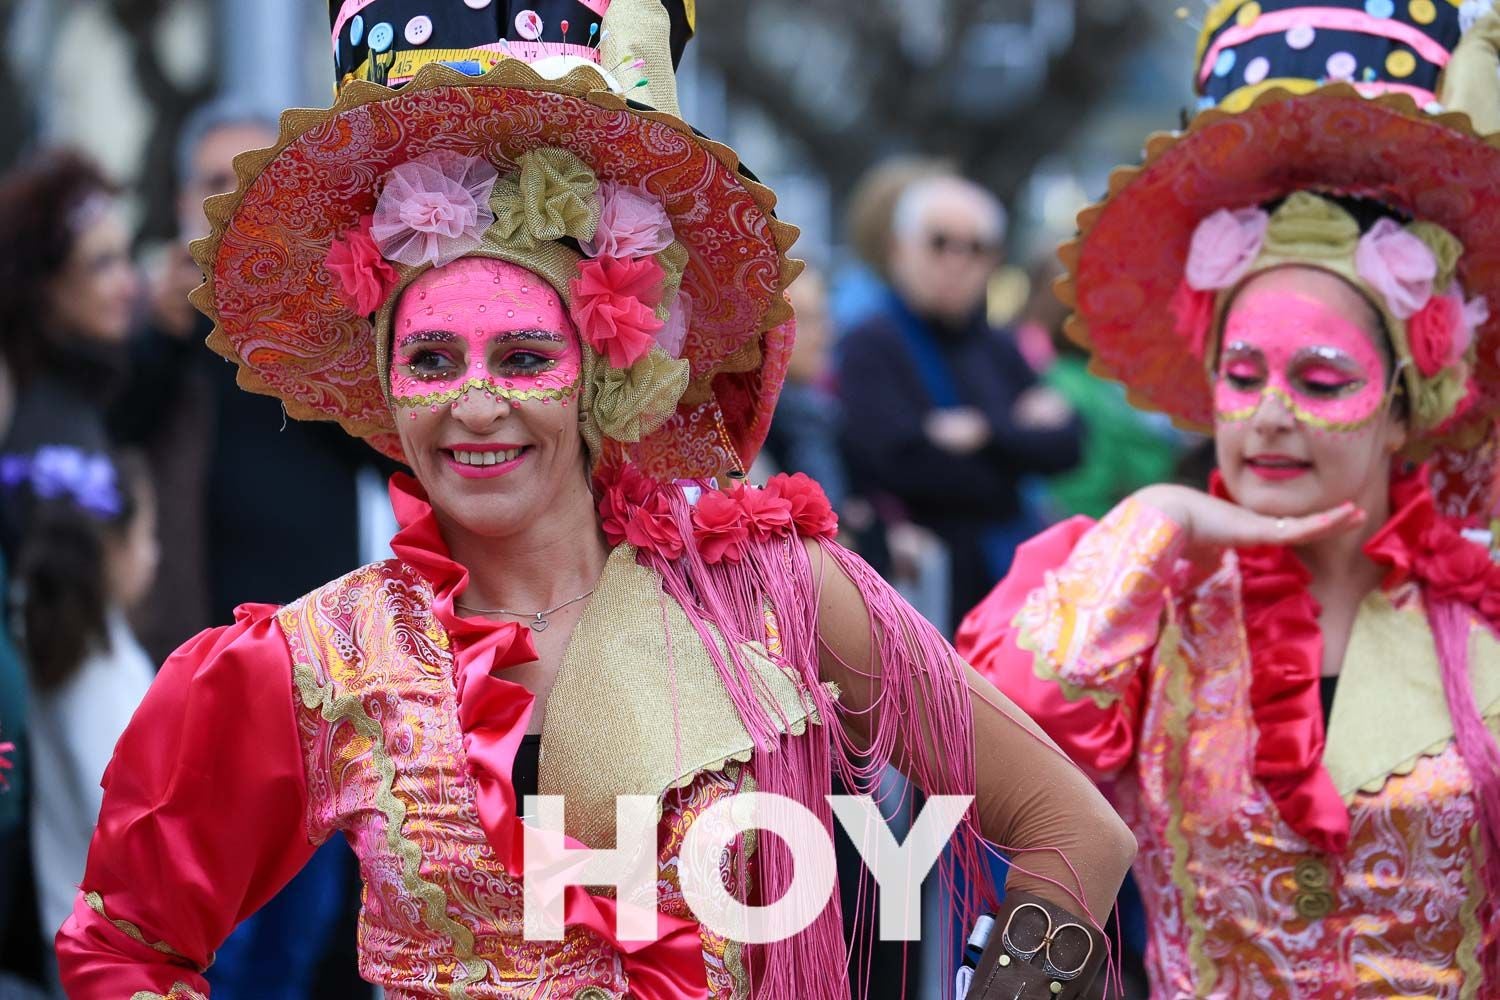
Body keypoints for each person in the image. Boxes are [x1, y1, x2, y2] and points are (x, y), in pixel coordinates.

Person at [55, 5, 1134, 1000]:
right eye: (432, 358)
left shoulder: (773, 597)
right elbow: (128, 939)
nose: (475, 404)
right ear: (384, 381)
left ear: (602, 365)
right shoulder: (318, 659)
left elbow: (1072, 833)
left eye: (523, 354)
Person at [957, 4, 1500, 994]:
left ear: (1400, 407)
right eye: (1243, 377)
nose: (1270, 417)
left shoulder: (1482, 615)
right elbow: (981, 772)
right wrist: (1160, 527)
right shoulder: (1147, 592)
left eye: (1323, 380)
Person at [0, 148, 138, 991]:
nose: (127, 280)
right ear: (44, 284)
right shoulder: (45, 438)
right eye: (102, 263)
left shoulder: (86, 393)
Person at [837, 172, 1082, 629]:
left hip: (1009, 582)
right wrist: (1015, 438)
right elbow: (895, 460)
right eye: (939, 242)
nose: (956, 261)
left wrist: (984, 432)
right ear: (898, 247)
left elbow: (1068, 445)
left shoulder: (999, 347)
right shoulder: (869, 345)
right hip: (922, 594)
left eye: (975, 247)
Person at [10, 450, 157, 954]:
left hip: (72, 923)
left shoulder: (54, 647)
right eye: (146, 537)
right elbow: (134, 835)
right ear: (112, 550)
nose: (153, 554)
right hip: (112, 947)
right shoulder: (100, 685)